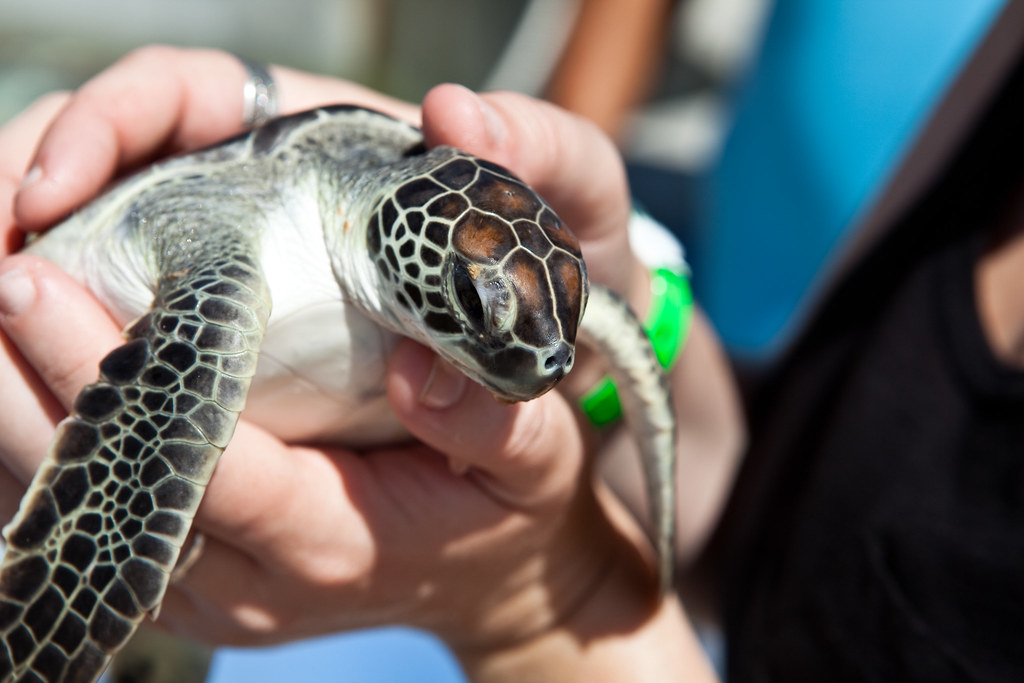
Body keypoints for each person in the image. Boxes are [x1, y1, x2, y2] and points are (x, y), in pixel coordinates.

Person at [0, 46, 741, 681]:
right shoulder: (239, 246)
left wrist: (538, 607)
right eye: (474, 306)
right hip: (193, 245)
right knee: (207, 333)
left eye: (567, 325)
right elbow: (737, 478)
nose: (538, 364)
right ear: (398, 240)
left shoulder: (533, 328)